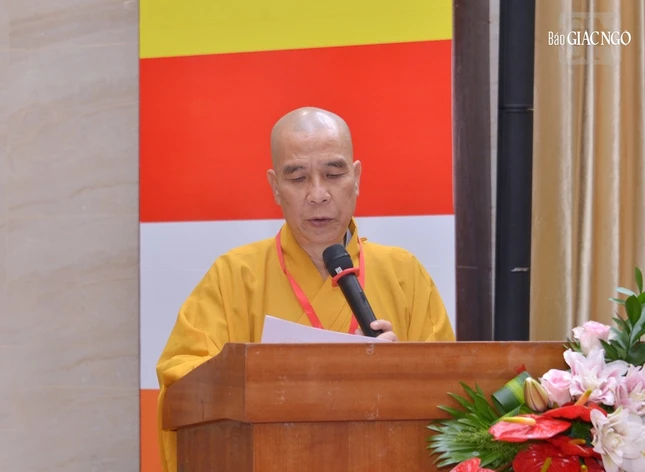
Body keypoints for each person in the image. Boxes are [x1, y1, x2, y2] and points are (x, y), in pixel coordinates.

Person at [155, 106, 455, 472]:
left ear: (356, 178)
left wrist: (397, 372)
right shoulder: (234, 275)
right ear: (274, 187)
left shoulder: (405, 274)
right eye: (297, 178)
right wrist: (264, 379)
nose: (318, 194)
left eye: (333, 174)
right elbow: (182, 381)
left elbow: (448, 393)